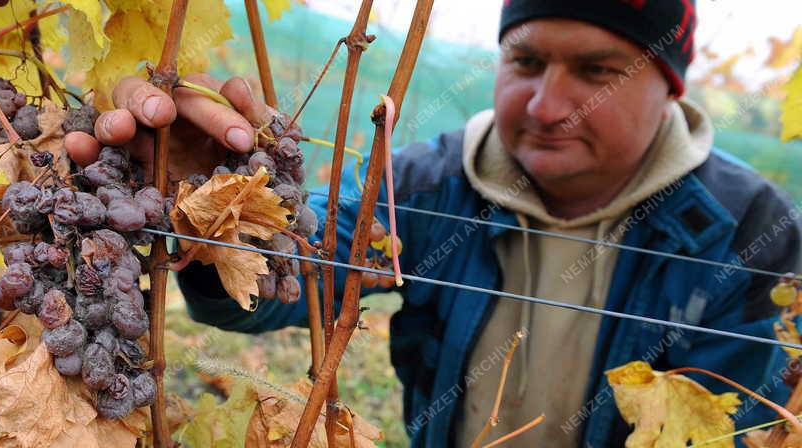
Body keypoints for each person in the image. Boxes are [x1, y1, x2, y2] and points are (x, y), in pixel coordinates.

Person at [66, 1, 802, 446]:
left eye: (598, 71)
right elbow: (294, 273)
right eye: (527, 59)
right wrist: (218, 208)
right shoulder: (425, 182)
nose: (547, 104)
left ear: (669, 86)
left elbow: (729, 435)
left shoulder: (748, 232)